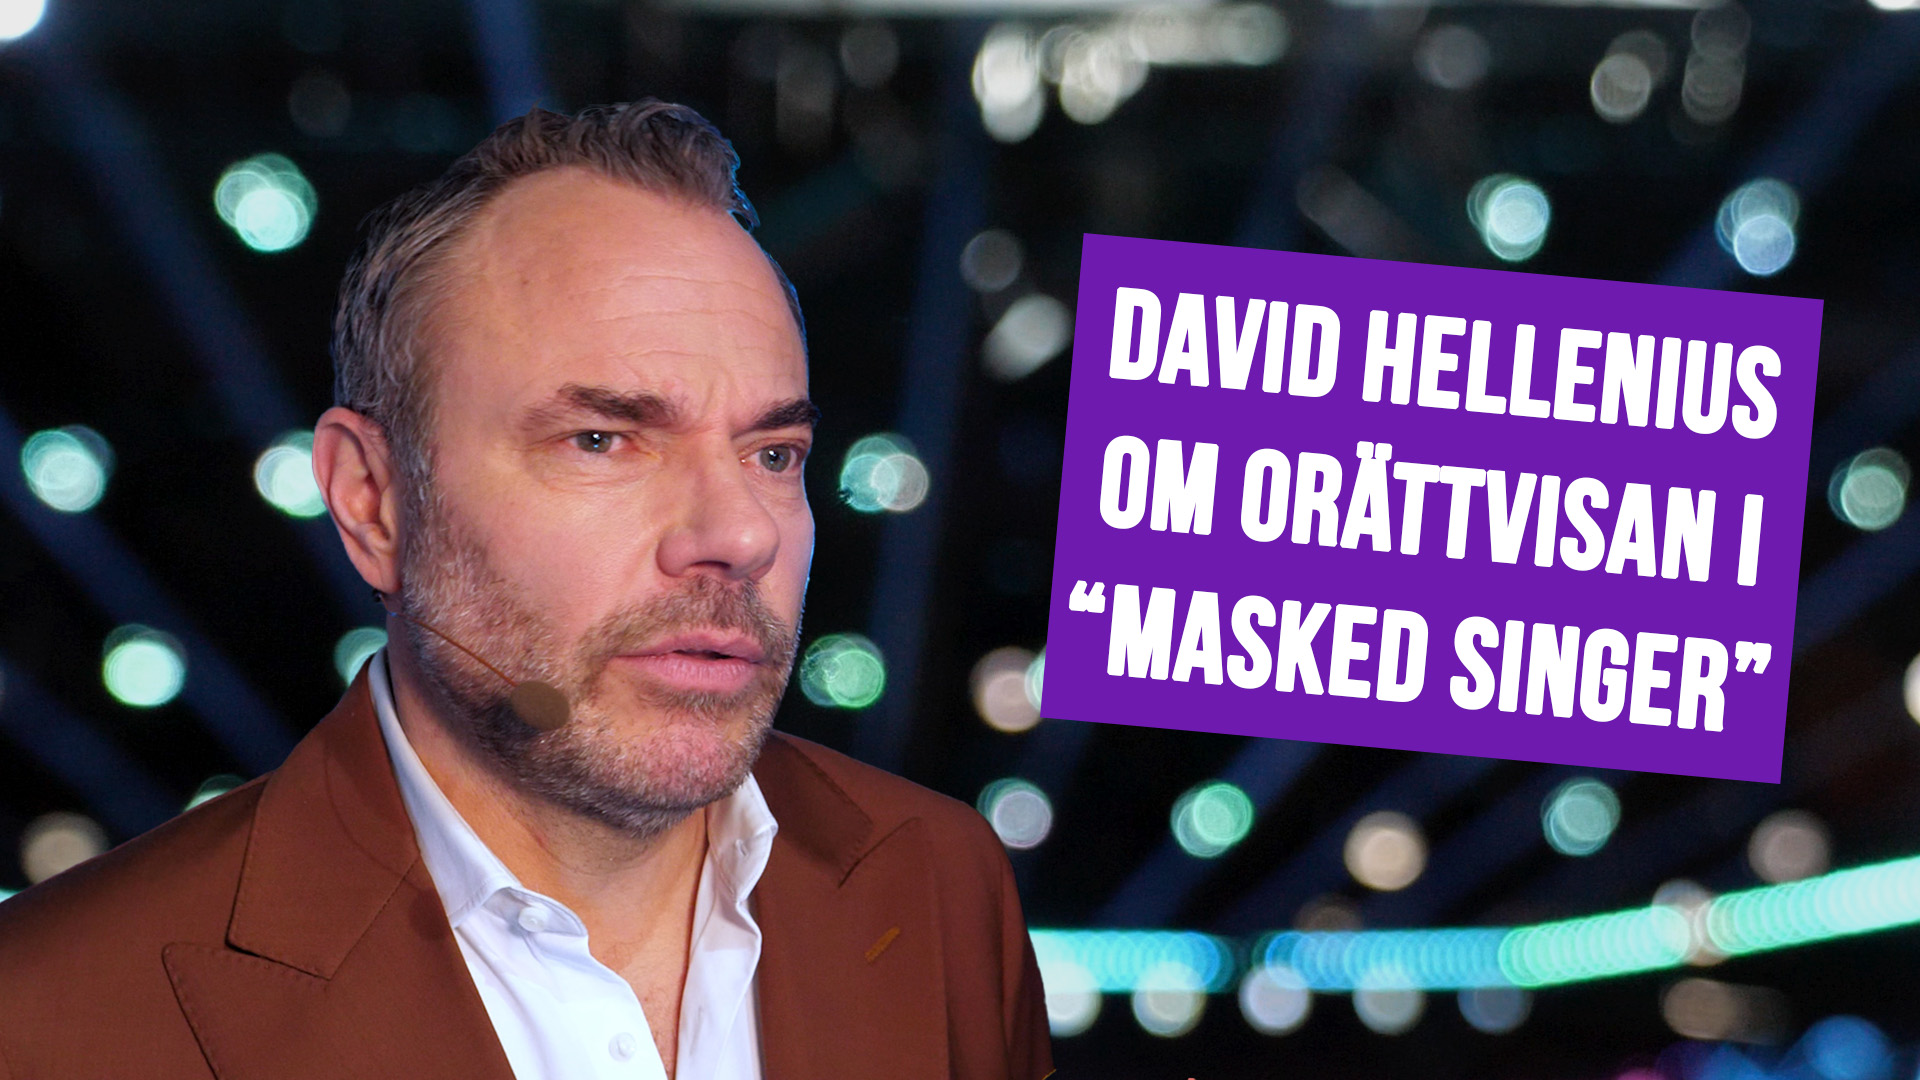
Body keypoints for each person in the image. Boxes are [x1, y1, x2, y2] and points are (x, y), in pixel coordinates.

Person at [0, 101, 1053, 1080]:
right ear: (372, 501)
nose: (739, 534)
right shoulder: (50, 1011)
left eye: (773, 454)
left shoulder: (940, 885)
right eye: (602, 440)